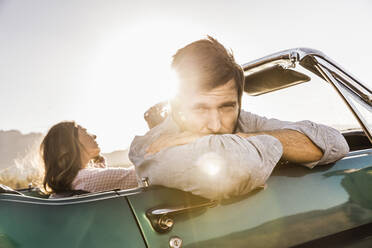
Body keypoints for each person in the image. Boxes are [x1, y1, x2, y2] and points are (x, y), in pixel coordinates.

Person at [129, 36, 349, 200]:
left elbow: (335, 143)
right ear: (178, 108)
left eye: (226, 107)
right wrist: (283, 144)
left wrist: (242, 137)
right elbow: (235, 169)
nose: (216, 124)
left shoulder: (243, 122)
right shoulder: (150, 145)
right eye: (200, 109)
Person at [40, 121, 138, 197]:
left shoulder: (74, 182)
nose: (94, 136)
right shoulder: (86, 180)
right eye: (85, 132)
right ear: (68, 146)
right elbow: (144, 175)